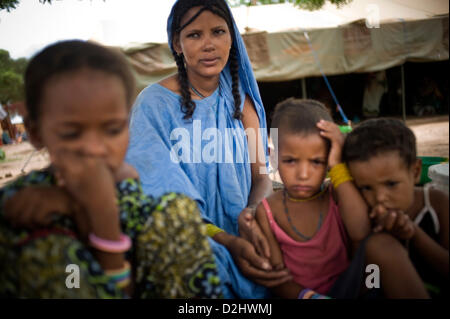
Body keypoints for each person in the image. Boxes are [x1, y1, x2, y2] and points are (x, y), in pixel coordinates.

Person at [0, 40, 222, 298]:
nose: (95, 149)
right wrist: (98, 215)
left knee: (178, 211)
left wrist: (97, 214)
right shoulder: (22, 208)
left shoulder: (127, 183)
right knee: (46, 249)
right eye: (72, 133)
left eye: (113, 129)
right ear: (37, 133)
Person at [125, 0, 290, 298]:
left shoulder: (243, 102)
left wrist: (252, 213)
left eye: (218, 31)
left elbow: (263, 176)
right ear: (176, 43)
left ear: (232, 37)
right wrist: (224, 241)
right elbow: (157, 196)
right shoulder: (151, 105)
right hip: (187, 241)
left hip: (246, 234)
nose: (209, 44)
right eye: (194, 35)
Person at [255, 98, 430, 298]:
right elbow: (278, 278)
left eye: (317, 161)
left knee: (383, 247)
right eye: (290, 161)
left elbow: (361, 231)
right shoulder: (267, 211)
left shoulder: (337, 194)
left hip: (353, 287)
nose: (303, 174)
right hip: (304, 296)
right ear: (273, 157)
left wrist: (337, 166)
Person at [342, 118, 449, 298]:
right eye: (366, 187)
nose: (379, 198)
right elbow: (369, 282)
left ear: (415, 172)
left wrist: (413, 234)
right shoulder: (360, 214)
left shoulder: (436, 203)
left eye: (391, 184)